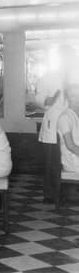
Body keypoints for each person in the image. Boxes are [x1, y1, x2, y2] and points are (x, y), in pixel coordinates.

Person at [35, 46, 76, 202]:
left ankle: (69, 193)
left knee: (71, 158)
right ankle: (51, 195)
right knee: (52, 162)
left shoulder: (75, 75)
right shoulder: (48, 77)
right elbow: (38, 98)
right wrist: (48, 100)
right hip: (53, 124)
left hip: (72, 123)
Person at [57, 79, 79, 173]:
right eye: (73, 96)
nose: (77, 98)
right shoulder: (65, 117)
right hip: (73, 162)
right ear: (67, 98)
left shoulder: (76, 115)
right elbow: (70, 146)